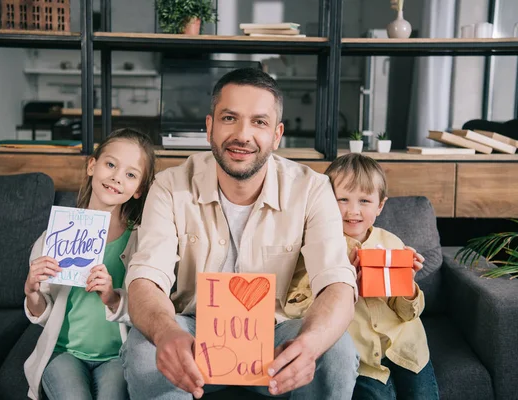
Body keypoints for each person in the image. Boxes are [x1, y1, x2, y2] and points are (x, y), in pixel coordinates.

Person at [121, 68, 360, 399]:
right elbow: (145, 278)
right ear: (209, 127)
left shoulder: (312, 189)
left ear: (277, 135)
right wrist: (165, 333)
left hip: (276, 339)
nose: (242, 134)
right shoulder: (170, 186)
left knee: (338, 352)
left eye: (259, 122)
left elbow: (337, 284)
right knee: (142, 349)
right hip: (194, 336)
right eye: (229, 118)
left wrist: (310, 344)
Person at [286, 153, 440, 400]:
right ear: (325, 201)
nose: (353, 211)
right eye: (343, 199)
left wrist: (407, 284)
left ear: (380, 205)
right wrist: (340, 280)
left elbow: (408, 313)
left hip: (408, 350)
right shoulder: (319, 247)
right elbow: (296, 306)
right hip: (363, 358)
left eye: (365, 201)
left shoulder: (391, 243)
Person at [23, 128, 156, 400]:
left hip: (117, 356)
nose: (117, 177)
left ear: (138, 190)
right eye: (110, 164)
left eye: (130, 174)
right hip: (63, 352)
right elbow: (42, 315)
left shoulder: (142, 242)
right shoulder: (53, 236)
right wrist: (32, 292)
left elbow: (151, 309)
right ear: (92, 166)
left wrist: (111, 297)